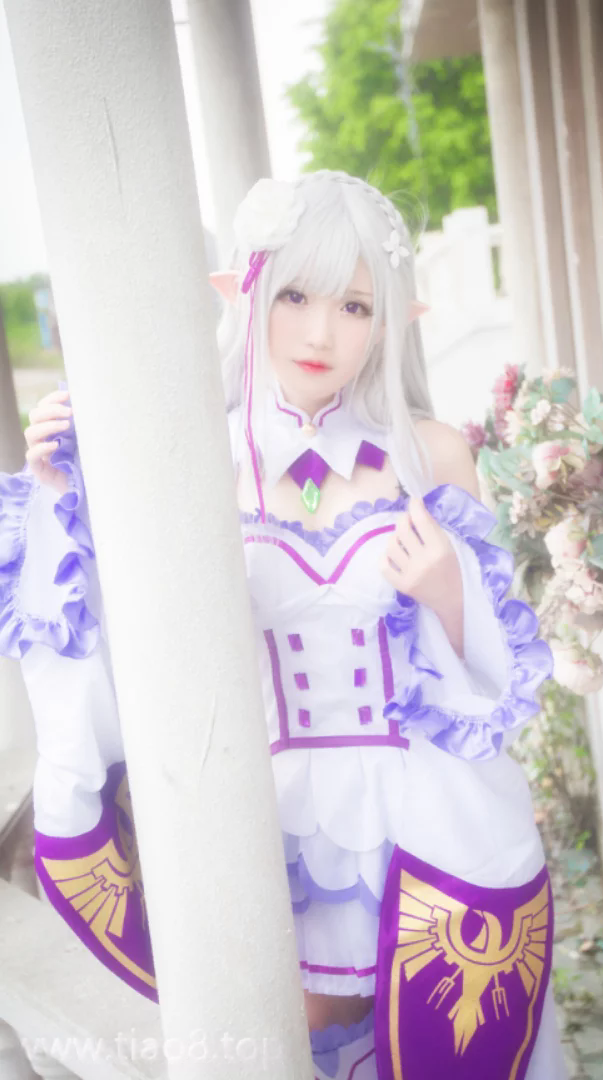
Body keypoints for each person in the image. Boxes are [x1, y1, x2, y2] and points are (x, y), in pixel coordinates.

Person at [3, 171, 567, 1079]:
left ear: (389, 320)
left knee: (433, 1044)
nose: (318, 333)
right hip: (262, 814)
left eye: (353, 305)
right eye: (296, 295)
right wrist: (60, 491)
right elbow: (116, 628)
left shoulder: (430, 453)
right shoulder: (192, 454)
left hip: (425, 807)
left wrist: (447, 593)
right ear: (247, 290)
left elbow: (498, 682)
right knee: (284, 1035)